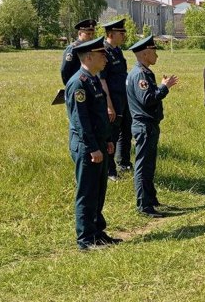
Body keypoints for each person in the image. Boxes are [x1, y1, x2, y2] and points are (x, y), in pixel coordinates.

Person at [65, 36, 120, 250]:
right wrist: (93, 148)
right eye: (101, 54)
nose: (105, 57)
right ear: (89, 57)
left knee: (98, 191)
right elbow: (81, 121)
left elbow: (100, 116)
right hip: (87, 147)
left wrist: (107, 140)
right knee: (87, 193)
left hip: (99, 144)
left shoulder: (94, 79)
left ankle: (97, 232)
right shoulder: (78, 83)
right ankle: (85, 239)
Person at [126, 35, 178, 218]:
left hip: (148, 125)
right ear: (145, 54)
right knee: (143, 166)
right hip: (144, 126)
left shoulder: (143, 72)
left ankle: (151, 199)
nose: (156, 55)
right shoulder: (140, 74)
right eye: (154, 51)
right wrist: (164, 87)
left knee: (149, 165)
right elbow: (147, 100)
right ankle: (144, 205)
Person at [98, 18, 132, 180]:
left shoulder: (117, 50)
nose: (124, 35)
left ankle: (124, 163)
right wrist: (109, 105)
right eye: (121, 32)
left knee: (126, 131)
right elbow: (102, 80)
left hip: (123, 98)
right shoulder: (103, 52)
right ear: (111, 34)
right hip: (113, 99)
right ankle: (110, 170)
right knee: (111, 135)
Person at [60, 19, 97, 85]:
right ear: (80, 33)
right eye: (88, 34)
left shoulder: (91, 47)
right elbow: (65, 70)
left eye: (93, 34)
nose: (91, 36)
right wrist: (70, 84)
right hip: (77, 83)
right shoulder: (73, 48)